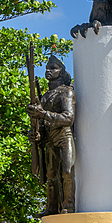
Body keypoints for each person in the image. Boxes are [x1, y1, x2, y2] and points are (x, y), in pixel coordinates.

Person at [26, 54, 76, 214]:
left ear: (61, 72)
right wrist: (36, 134)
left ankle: (68, 205)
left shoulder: (66, 92)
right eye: (47, 68)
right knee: (51, 175)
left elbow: (68, 118)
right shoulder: (45, 96)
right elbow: (40, 123)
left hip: (63, 135)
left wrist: (42, 114)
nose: (48, 71)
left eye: (53, 68)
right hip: (49, 137)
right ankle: (51, 207)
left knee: (67, 171)